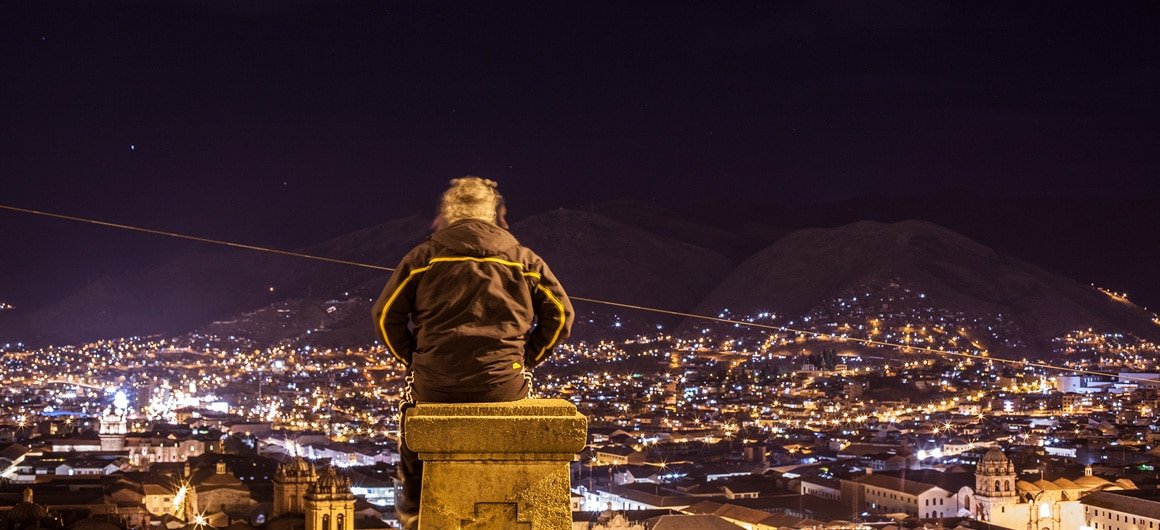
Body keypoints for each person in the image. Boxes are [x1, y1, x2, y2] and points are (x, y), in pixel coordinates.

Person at [371, 176, 574, 529]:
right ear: (493, 214)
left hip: (435, 384)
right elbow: (561, 314)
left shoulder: (423, 258)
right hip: (503, 384)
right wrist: (526, 357)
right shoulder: (523, 260)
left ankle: (414, 510)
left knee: (410, 424)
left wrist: (415, 359)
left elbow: (385, 315)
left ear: (451, 214)